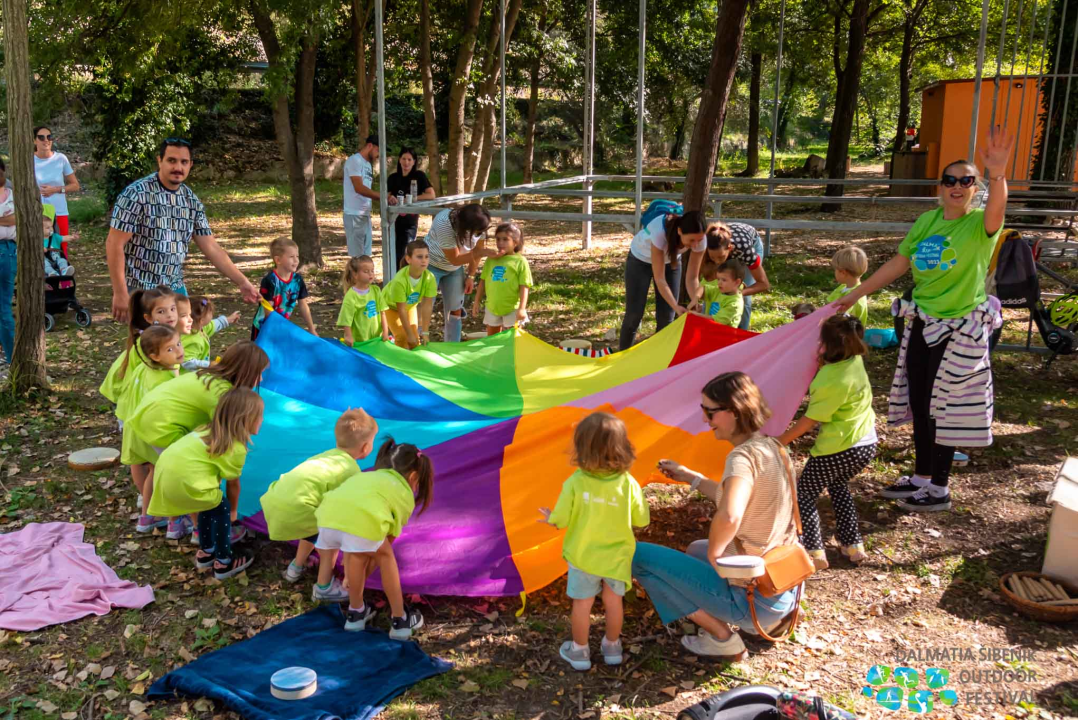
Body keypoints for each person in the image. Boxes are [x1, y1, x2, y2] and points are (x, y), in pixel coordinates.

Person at [834, 128, 1014, 513]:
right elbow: (900, 263)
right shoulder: (926, 222)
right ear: (939, 186)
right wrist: (854, 295)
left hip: (961, 328)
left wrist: (997, 175)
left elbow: (998, 209)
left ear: (974, 188)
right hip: (923, 321)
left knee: (942, 406)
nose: (957, 186)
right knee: (920, 400)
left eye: (967, 180)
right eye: (950, 180)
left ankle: (939, 488)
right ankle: (921, 477)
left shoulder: (980, 225)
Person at [633, 372, 803, 661]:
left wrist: (715, 554)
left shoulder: (741, 458)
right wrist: (692, 478)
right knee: (694, 550)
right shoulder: (773, 447)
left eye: (709, 412)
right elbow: (740, 498)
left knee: (634, 555)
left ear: (734, 412)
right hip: (781, 587)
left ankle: (723, 639)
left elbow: (731, 514)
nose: (705, 420)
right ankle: (771, 619)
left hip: (753, 599)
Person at [127, 340, 269, 545]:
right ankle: (199, 529)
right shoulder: (221, 393)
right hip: (162, 425)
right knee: (194, 474)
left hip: (147, 414)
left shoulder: (210, 375)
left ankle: (170, 520)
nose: (261, 378)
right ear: (247, 372)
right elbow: (227, 431)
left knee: (171, 468)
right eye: (259, 373)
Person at [538, 412, 649, 672]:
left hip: (583, 556)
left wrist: (551, 519)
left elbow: (562, 517)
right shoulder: (628, 482)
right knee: (614, 603)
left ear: (581, 448)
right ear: (623, 447)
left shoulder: (575, 482)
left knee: (582, 604)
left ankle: (579, 652)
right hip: (617, 557)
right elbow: (642, 519)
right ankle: (612, 647)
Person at [106, 138, 259, 323]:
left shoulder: (191, 201)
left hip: (174, 289)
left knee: (182, 345)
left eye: (184, 162)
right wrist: (120, 293)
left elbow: (211, 247)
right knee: (150, 349)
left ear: (190, 165)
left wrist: (242, 282)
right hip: (140, 290)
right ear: (159, 161)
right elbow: (114, 244)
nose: (178, 167)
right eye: (171, 160)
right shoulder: (136, 195)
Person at [777, 315, 877, 569]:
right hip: (865, 443)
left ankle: (814, 552)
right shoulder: (854, 360)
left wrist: (780, 440)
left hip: (838, 449)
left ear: (827, 346)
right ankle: (853, 545)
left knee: (805, 495)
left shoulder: (830, 380)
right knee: (838, 485)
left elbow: (810, 420)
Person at [314, 438, 434, 637]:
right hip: (357, 523)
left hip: (326, 519)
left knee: (357, 554)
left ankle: (355, 614)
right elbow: (382, 545)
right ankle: (400, 620)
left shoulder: (368, 476)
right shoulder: (403, 492)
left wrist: (353, 578)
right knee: (386, 557)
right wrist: (360, 576)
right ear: (413, 476)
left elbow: (362, 548)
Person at [261, 408, 378, 602]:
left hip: (275, 502)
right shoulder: (352, 470)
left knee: (314, 524)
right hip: (297, 510)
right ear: (366, 447)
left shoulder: (326, 455)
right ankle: (323, 588)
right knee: (330, 539)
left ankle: (295, 568)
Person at [149, 388, 263, 580]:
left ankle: (206, 551)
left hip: (164, 480)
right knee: (221, 507)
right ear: (246, 419)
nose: (262, 420)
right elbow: (233, 485)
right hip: (183, 484)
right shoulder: (234, 447)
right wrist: (233, 511)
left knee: (207, 505)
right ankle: (223, 562)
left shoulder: (204, 429)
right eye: (260, 416)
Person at [99, 287, 177, 516]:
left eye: (172, 309)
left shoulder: (146, 337)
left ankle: (146, 499)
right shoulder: (154, 343)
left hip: (132, 408)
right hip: (140, 410)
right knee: (150, 461)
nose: (170, 315)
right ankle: (151, 502)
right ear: (148, 318)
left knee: (139, 458)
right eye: (162, 311)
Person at [118, 326, 188, 538]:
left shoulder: (144, 367)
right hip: (156, 434)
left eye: (178, 343)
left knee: (154, 472)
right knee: (169, 474)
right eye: (169, 349)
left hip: (136, 428)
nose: (178, 350)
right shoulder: (166, 380)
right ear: (154, 355)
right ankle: (175, 521)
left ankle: (146, 516)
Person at [619, 210, 707, 351]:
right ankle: (622, 357)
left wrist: (695, 299)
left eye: (699, 240)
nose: (696, 245)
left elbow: (692, 278)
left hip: (671, 262)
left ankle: (660, 360)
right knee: (634, 315)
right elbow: (660, 279)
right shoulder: (660, 232)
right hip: (640, 260)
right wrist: (676, 305)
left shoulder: (701, 241)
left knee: (667, 317)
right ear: (679, 231)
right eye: (691, 240)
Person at [422, 204, 499, 342]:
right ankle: (417, 342)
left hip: (454, 269)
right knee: (425, 306)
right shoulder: (444, 224)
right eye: (476, 232)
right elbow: (455, 259)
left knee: (455, 309)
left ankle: (452, 347)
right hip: (431, 264)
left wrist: (471, 275)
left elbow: (477, 251)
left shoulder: (480, 223)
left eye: (482, 231)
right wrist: (481, 253)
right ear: (465, 227)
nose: (480, 234)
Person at [703, 222, 772, 331]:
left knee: (744, 299)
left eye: (720, 257)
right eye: (713, 257)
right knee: (713, 292)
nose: (717, 262)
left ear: (729, 248)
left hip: (750, 244)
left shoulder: (745, 250)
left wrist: (738, 293)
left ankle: (741, 336)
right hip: (728, 246)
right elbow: (704, 284)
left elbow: (764, 284)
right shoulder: (705, 246)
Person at [472, 222, 532, 335]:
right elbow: (483, 281)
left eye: (505, 239)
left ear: (515, 242)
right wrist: (476, 301)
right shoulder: (491, 260)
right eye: (498, 239)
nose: (500, 243)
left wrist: (522, 308)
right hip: (492, 307)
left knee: (513, 340)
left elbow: (524, 286)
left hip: (512, 308)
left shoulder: (520, 262)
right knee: (493, 339)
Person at [251, 238, 316, 340]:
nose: (296, 260)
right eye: (291, 257)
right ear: (278, 260)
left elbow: (303, 305)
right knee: (261, 356)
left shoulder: (297, 280)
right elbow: (268, 310)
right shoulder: (269, 280)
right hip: (263, 328)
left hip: (281, 327)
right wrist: (283, 329)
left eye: (297, 256)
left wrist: (312, 329)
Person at [32, 125, 79, 256]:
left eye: (49, 137)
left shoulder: (60, 159)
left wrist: (56, 189)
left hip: (59, 212)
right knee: (38, 250)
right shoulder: (29, 160)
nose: (45, 140)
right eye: (41, 137)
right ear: (34, 141)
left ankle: (63, 275)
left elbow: (75, 185)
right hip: (37, 213)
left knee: (61, 248)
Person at [383, 240, 437, 349]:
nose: (424, 261)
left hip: (410, 306)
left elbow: (427, 305)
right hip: (389, 306)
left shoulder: (429, 277)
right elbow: (401, 309)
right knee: (402, 337)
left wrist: (425, 332)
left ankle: (414, 363)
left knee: (415, 340)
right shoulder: (400, 280)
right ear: (408, 259)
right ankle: (398, 364)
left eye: (426, 257)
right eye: (419, 257)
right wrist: (409, 334)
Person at [386, 147, 436, 265]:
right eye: (404, 159)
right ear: (399, 160)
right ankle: (394, 279)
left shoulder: (419, 176)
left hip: (409, 222)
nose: (406, 162)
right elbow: (386, 196)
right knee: (392, 253)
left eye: (409, 159)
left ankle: (405, 278)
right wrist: (390, 198)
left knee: (405, 253)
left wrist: (412, 199)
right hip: (392, 221)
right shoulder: (393, 177)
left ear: (414, 162)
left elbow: (431, 195)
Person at [176, 296, 240, 372]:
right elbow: (186, 362)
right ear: (202, 320)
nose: (213, 314)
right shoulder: (192, 340)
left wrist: (228, 319)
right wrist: (208, 365)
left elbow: (214, 325)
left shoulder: (201, 328)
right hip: (187, 378)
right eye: (210, 312)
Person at [338, 255, 390, 347]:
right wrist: (348, 335)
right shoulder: (351, 295)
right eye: (366, 271)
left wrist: (385, 331)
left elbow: (383, 312)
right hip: (360, 342)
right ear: (355, 274)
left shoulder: (376, 290)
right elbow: (346, 318)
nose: (370, 274)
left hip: (376, 339)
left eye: (372, 271)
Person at [343, 135, 381, 258]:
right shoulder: (355, 160)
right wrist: (381, 196)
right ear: (370, 146)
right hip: (354, 214)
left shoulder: (368, 165)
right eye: (378, 150)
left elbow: (367, 189)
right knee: (357, 259)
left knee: (366, 256)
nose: (378, 154)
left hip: (365, 214)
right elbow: (358, 187)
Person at [826, 246, 868, 327]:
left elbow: (839, 319)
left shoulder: (854, 296)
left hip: (845, 335)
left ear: (843, 272)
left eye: (835, 269)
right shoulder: (843, 287)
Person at [698, 258, 744, 328]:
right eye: (718, 279)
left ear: (737, 282)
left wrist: (694, 315)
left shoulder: (735, 304)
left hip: (724, 337)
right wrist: (696, 298)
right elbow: (703, 288)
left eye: (724, 280)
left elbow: (714, 320)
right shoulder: (718, 291)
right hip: (711, 331)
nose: (719, 283)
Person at [0, 159, 15, 367]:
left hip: (7, 250)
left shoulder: (13, 194)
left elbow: (16, 220)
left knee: (3, 306)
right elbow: (9, 219)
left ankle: (12, 357)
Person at [41, 204, 73, 277]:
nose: (51, 229)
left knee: (62, 260)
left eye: (51, 227)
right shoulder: (37, 240)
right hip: (45, 261)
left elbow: (65, 238)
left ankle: (64, 270)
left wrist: (72, 237)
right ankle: (52, 273)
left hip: (56, 261)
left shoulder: (55, 237)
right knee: (45, 264)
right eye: (47, 228)